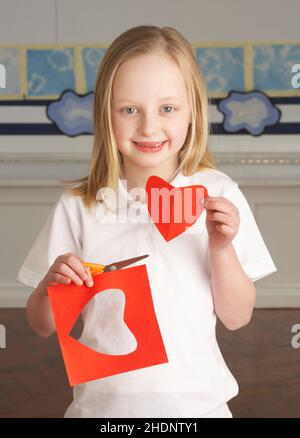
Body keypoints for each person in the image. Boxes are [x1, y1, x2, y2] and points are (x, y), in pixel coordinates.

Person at [16, 25, 277, 418]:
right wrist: (50, 285)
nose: (149, 127)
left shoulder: (217, 194)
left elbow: (237, 317)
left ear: (193, 111)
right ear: (106, 113)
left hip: (199, 410)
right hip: (101, 413)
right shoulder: (79, 205)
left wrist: (221, 248)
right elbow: (41, 324)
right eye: (129, 109)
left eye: (167, 108)